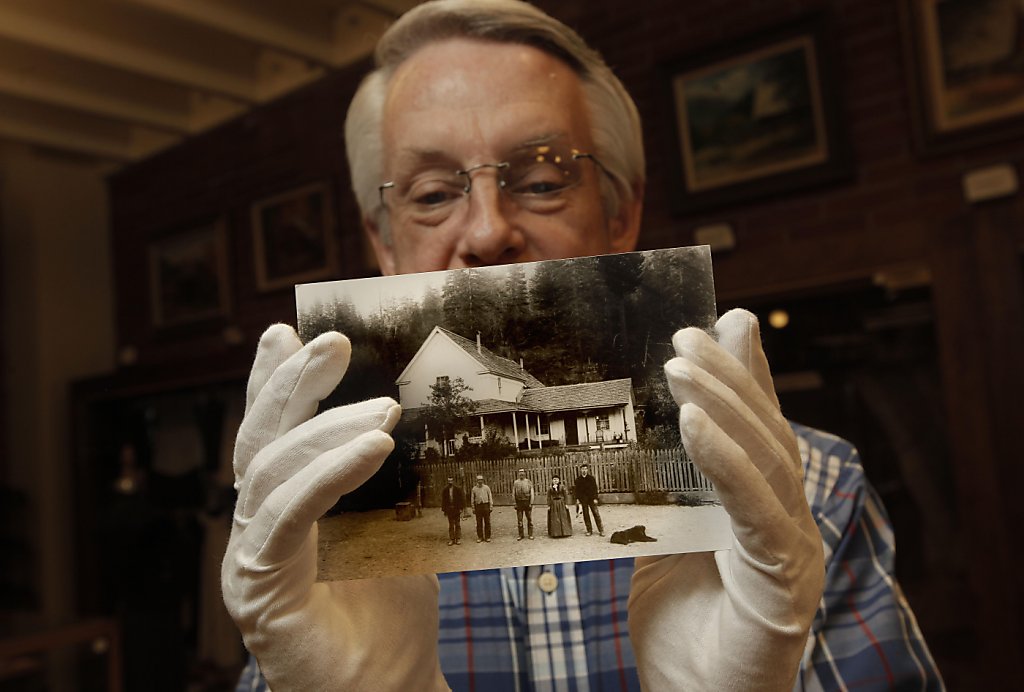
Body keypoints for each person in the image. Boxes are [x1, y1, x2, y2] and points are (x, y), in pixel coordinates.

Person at [224, 1, 944, 690]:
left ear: (621, 212)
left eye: (540, 179)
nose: (485, 232)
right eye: (433, 193)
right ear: (382, 241)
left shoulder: (812, 493)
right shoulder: (316, 530)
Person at [573, 463, 603, 536]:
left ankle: (601, 530)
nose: (584, 470)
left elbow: (595, 489)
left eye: (585, 469)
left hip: (592, 499)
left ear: (587, 470)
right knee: (586, 515)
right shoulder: (578, 480)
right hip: (583, 500)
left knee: (596, 514)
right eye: (583, 469)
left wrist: (595, 498)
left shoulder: (591, 478)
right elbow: (576, 491)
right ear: (580, 470)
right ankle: (589, 530)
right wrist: (577, 499)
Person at [440, 476, 464, 546]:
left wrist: (460, 508)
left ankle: (458, 539)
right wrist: (444, 510)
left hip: (456, 509)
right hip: (449, 509)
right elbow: (443, 501)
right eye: (449, 481)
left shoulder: (457, 489)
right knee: (451, 525)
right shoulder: (445, 490)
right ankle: (452, 539)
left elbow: (461, 499)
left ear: (453, 481)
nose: (450, 482)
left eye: (451, 481)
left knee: (457, 524)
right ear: (447, 482)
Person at [511, 468, 534, 540]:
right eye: (520, 472)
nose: (521, 474)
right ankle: (521, 535)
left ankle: (530, 534)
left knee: (529, 519)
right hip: (519, 503)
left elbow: (532, 493)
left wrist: (531, 503)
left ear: (525, 473)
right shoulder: (516, 482)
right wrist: (514, 502)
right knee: (519, 520)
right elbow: (513, 493)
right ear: (518, 474)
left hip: (527, 502)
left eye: (522, 472)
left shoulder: (528, 482)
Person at [470, 474, 492, 543]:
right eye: (478, 480)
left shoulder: (486, 488)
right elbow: (472, 499)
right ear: (477, 481)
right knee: (479, 523)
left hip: (486, 505)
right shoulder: (474, 489)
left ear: (483, 480)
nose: (480, 481)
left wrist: (491, 506)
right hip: (478, 506)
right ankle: (480, 537)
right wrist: (473, 508)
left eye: (481, 480)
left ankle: (487, 537)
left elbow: (490, 497)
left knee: (487, 522)